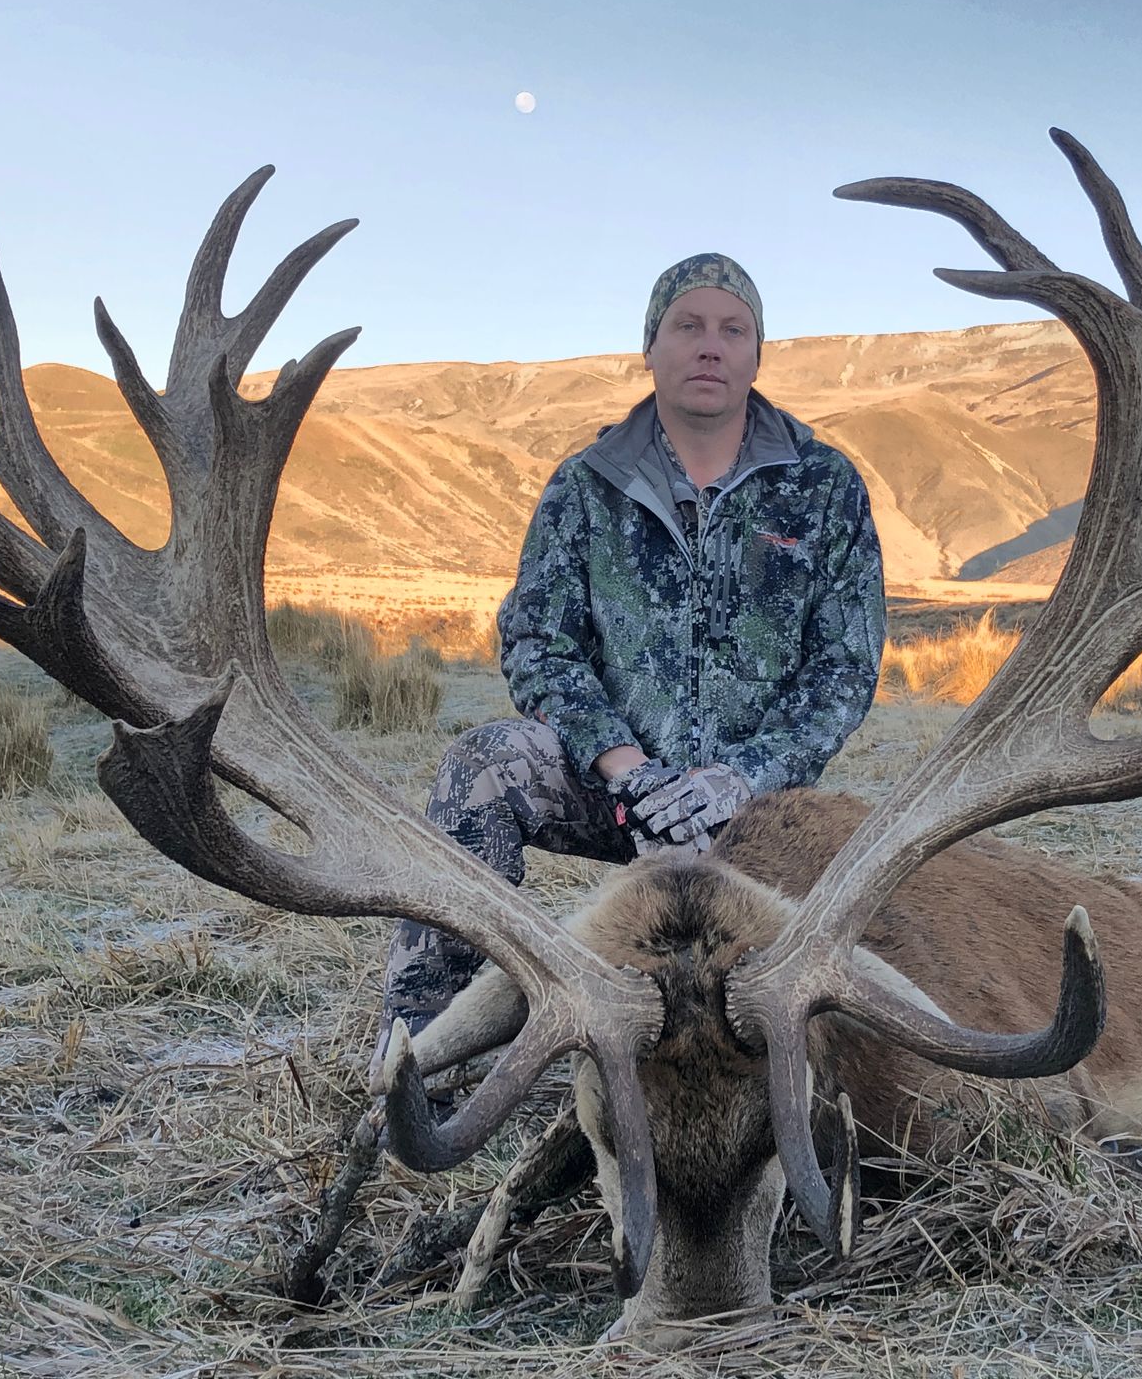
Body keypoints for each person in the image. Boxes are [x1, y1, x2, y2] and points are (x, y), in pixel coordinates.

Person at [374, 253, 887, 1064]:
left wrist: (743, 776)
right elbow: (539, 642)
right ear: (650, 346)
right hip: (613, 788)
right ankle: (424, 1054)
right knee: (481, 768)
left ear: (759, 352)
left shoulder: (825, 487)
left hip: (756, 811)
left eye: (732, 329)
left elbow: (844, 671)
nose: (709, 346)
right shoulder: (584, 485)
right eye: (688, 326)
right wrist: (627, 770)